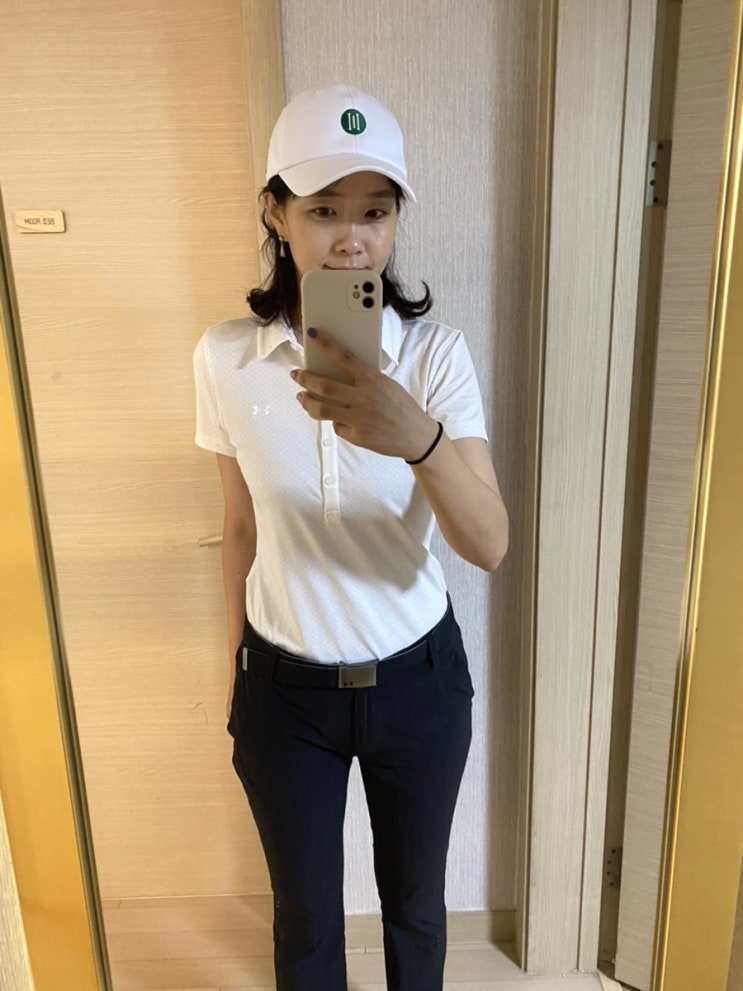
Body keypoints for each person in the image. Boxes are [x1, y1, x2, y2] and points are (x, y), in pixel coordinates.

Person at [193, 83, 508, 991]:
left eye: (375, 212)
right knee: (304, 920)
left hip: (418, 679)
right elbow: (239, 525)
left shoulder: (435, 357)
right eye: (323, 209)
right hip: (284, 690)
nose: (351, 239)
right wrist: (234, 670)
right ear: (275, 213)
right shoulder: (224, 358)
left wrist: (418, 436)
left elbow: (487, 544)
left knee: (415, 907)